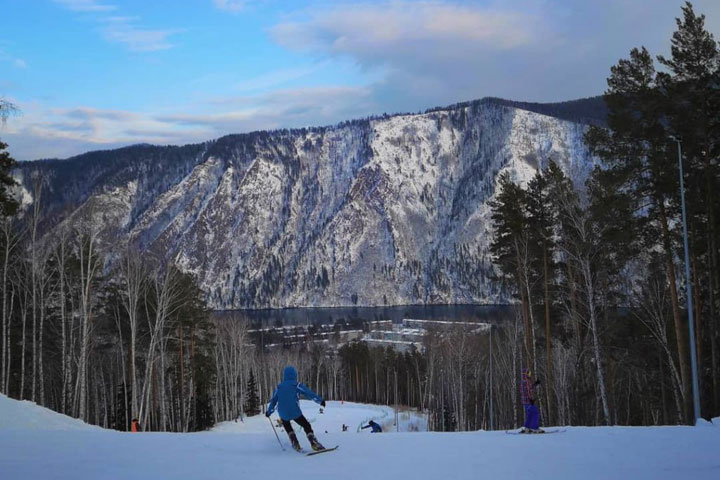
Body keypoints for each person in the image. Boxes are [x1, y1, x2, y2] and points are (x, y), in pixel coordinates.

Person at [266, 365, 326, 451]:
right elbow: (308, 392)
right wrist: (320, 401)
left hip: (283, 413)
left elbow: (273, 401)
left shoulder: (279, 387)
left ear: (284, 375)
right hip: (295, 411)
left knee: (286, 424)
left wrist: (269, 412)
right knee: (306, 425)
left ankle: (295, 442)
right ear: (294, 375)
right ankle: (314, 443)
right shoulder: (296, 385)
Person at [520, 368, 543, 433]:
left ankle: (527, 427)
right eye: (529, 373)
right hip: (528, 401)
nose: (530, 375)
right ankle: (534, 428)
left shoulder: (524, 381)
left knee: (529, 414)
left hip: (525, 401)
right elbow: (527, 391)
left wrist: (535, 384)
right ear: (526, 374)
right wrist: (530, 399)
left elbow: (529, 388)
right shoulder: (526, 381)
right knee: (535, 412)